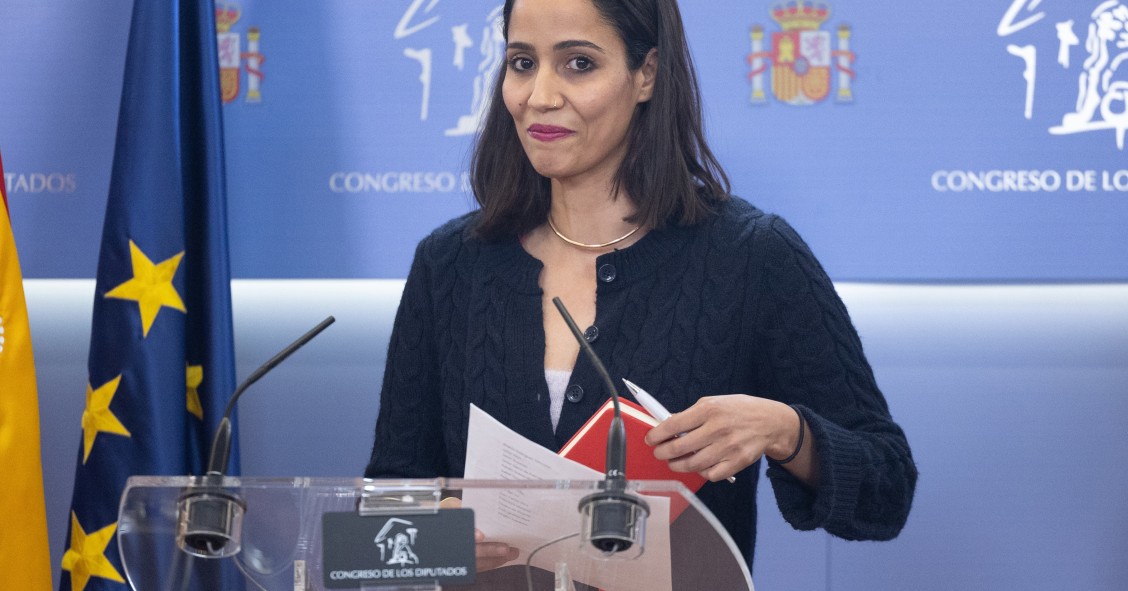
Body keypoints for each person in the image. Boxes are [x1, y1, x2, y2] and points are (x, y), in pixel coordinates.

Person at [365, 0, 917, 577]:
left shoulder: (751, 256)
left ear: (647, 73)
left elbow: (887, 488)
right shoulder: (450, 265)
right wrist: (438, 531)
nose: (540, 96)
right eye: (522, 63)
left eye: (578, 64)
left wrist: (786, 431)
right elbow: (385, 502)